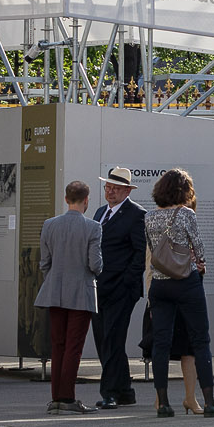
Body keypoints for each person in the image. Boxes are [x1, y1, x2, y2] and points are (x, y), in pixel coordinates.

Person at [144, 168, 214, 418]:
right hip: (186, 282)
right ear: (184, 190)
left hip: (159, 284)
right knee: (200, 340)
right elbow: (197, 245)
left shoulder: (148, 217)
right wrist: (201, 263)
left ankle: (164, 403)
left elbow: (152, 248)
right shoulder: (187, 213)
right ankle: (209, 402)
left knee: (161, 343)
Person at [34, 180, 102, 413]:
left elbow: (45, 263)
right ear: (86, 200)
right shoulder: (93, 227)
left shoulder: (49, 225)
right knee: (74, 346)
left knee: (58, 345)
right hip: (81, 292)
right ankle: (68, 397)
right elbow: (95, 264)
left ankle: (56, 398)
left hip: (54, 291)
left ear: (66, 199)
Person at [90, 166, 146, 408]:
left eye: (115, 188)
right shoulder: (100, 212)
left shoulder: (136, 214)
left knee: (112, 339)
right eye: (107, 187)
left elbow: (140, 253)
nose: (110, 191)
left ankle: (110, 392)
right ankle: (125, 390)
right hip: (98, 287)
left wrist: (126, 281)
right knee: (104, 339)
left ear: (126, 190)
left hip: (122, 289)